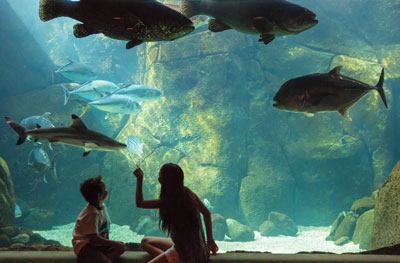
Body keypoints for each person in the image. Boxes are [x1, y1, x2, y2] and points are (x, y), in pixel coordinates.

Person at [133, 163, 219, 263]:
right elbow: (207, 213)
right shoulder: (188, 193)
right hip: (198, 249)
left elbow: (140, 203)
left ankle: (172, 259)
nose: (158, 177)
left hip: (186, 254)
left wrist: (139, 179)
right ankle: (170, 259)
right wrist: (210, 241)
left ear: (167, 180)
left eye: (160, 175)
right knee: (145, 241)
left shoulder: (168, 200)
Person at [72, 176, 126, 263]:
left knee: (121, 248)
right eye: (105, 188)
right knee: (116, 247)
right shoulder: (92, 213)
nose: (107, 190)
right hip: (85, 247)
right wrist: (113, 243)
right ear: (99, 195)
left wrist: (114, 244)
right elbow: (93, 237)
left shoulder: (102, 207)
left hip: (96, 244)